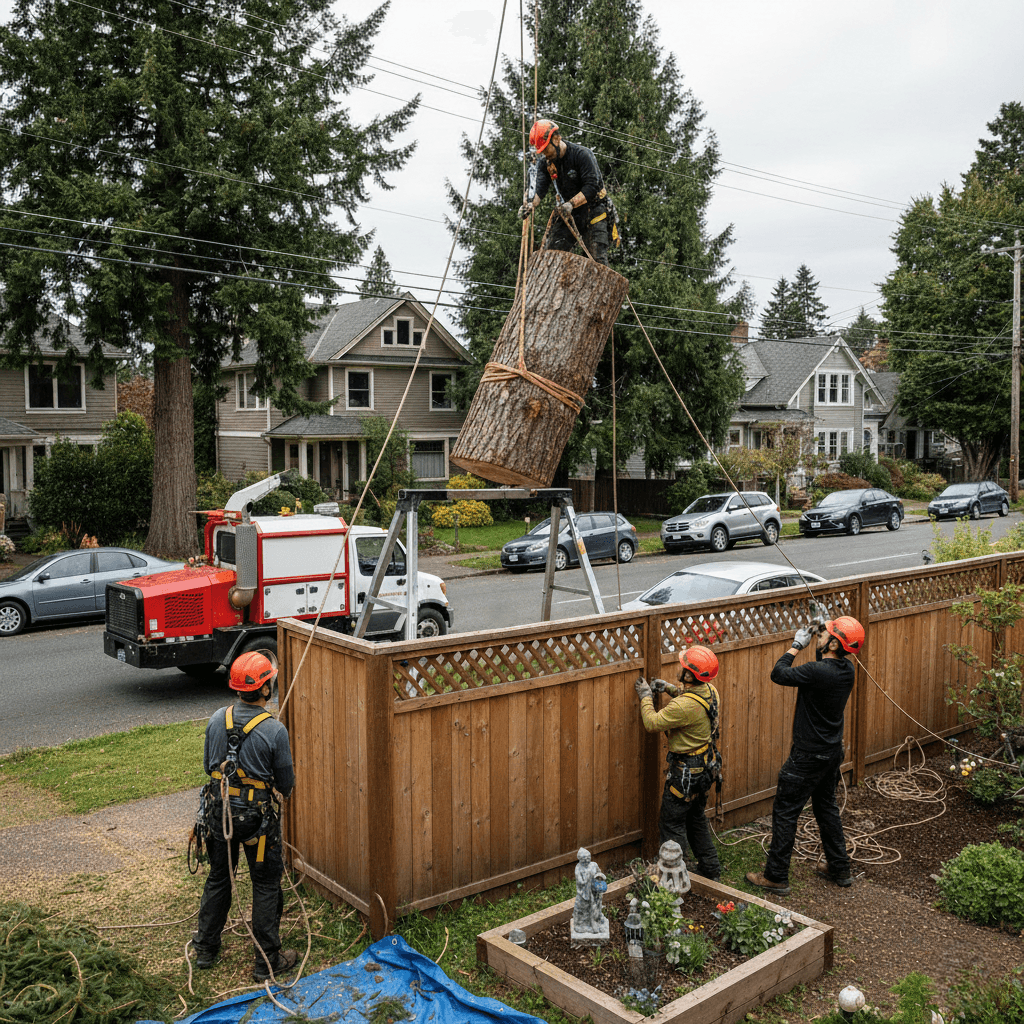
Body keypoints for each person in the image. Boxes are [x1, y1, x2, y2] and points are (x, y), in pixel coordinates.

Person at [191, 651, 298, 981]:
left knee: (220, 878)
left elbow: (211, 768)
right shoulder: (274, 731)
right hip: (256, 820)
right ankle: (267, 961)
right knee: (265, 884)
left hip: (217, 815)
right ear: (265, 689)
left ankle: (206, 950)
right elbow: (286, 785)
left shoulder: (214, 720)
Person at [746, 616, 865, 896]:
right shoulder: (847, 670)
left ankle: (775, 877)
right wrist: (823, 630)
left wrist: (796, 645)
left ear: (834, 643)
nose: (821, 638)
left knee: (786, 812)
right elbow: (821, 667)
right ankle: (839, 868)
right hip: (831, 754)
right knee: (826, 809)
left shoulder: (818, 671)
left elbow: (779, 673)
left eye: (827, 636)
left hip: (807, 757)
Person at [634, 645, 722, 881]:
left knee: (672, 823)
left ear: (689, 675)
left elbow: (652, 723)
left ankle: (675, 877)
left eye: (683, 668)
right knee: (696, 818)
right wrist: (669, 688)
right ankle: (710, 868)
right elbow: (689, 700)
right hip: (705, 768)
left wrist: (645, 697)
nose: (679, 670)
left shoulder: (683, 707)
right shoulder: (710, 691)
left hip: (684, 774)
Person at [519, 119, 613, 266]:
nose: (544, 154)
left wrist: (571, 203)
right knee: (551, 254)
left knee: (596, 262)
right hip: (570, 213)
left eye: (545, 149)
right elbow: (540, 190)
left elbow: (591, 187)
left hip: (594, 211)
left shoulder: (581, 155)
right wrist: (530, 205)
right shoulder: (546, 164)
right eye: (541, 151)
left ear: (556, 139)